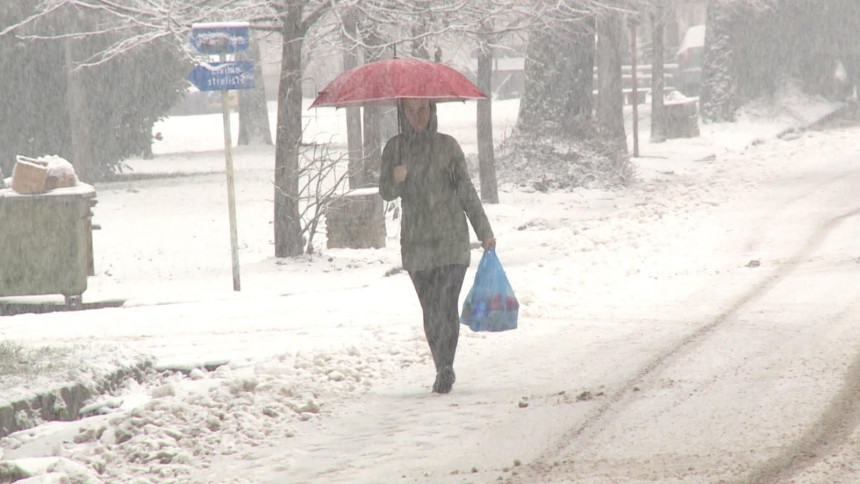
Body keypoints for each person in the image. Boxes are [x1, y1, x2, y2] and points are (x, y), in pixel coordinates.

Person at [379, 98, 496, 394]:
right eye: (410, 110)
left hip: (451, 241)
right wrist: (396, 177)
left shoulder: (448, 147)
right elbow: (386, 192)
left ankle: (446, 366)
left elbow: (466, 191)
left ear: (432, 110)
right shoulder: (395, 149)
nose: (417, 116)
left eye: (423, 109)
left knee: (446, 304)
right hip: (416, 244)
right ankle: (440, 363)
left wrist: (484, 232)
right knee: (430, 309)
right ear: (402, 112)